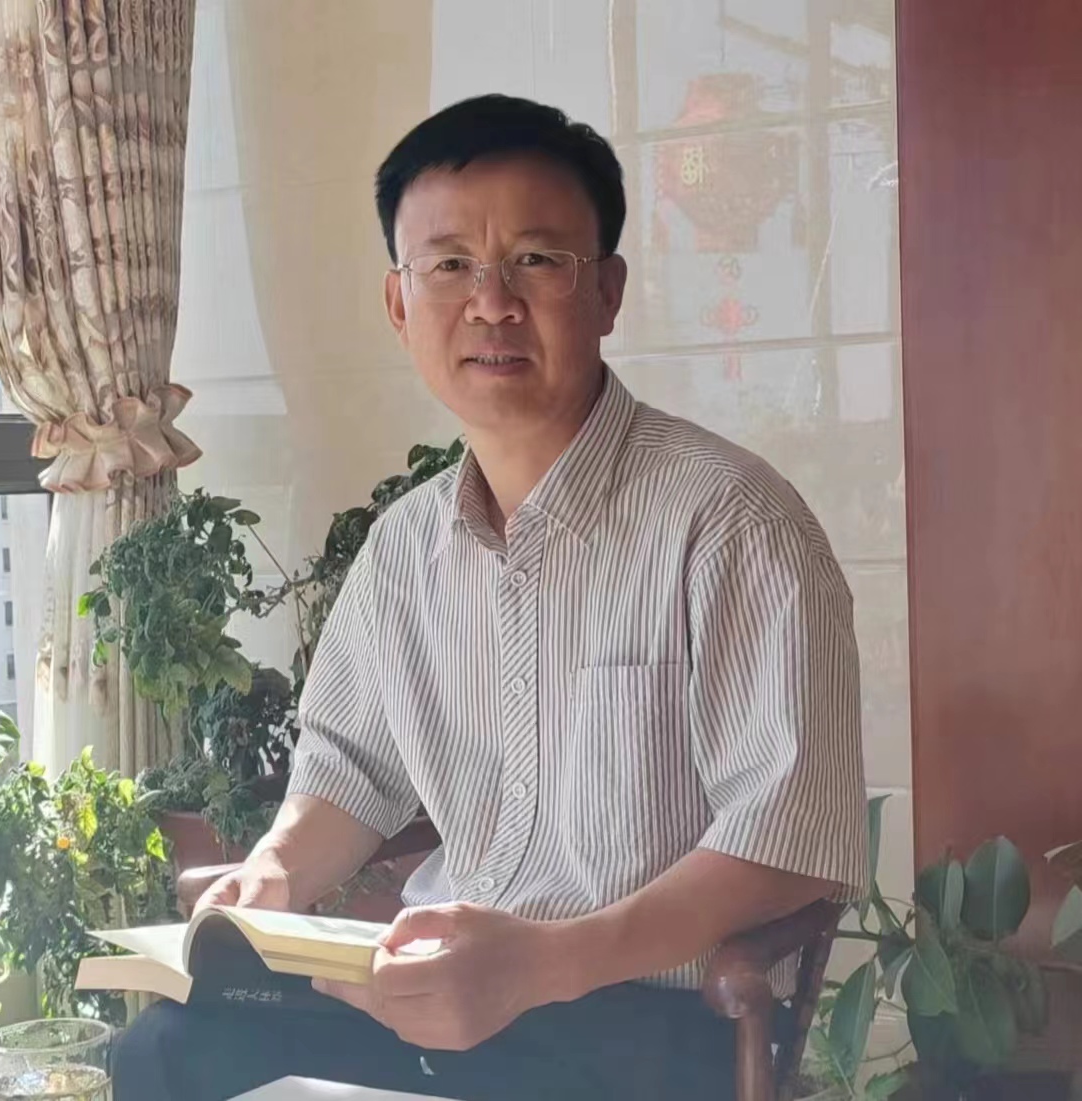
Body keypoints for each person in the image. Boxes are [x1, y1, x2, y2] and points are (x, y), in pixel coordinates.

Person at [112, 94, 867, 1101]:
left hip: (635, 1013)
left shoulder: (730, 523)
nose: (491, 303)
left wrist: (543, 963)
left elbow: (788, 843)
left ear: (606, 292)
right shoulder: (403, 548)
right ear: (399, 304)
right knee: (165, 1053)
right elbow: (350, 770)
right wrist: (276, 871)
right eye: (450, 265)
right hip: (439, 992)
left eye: (536, 261)